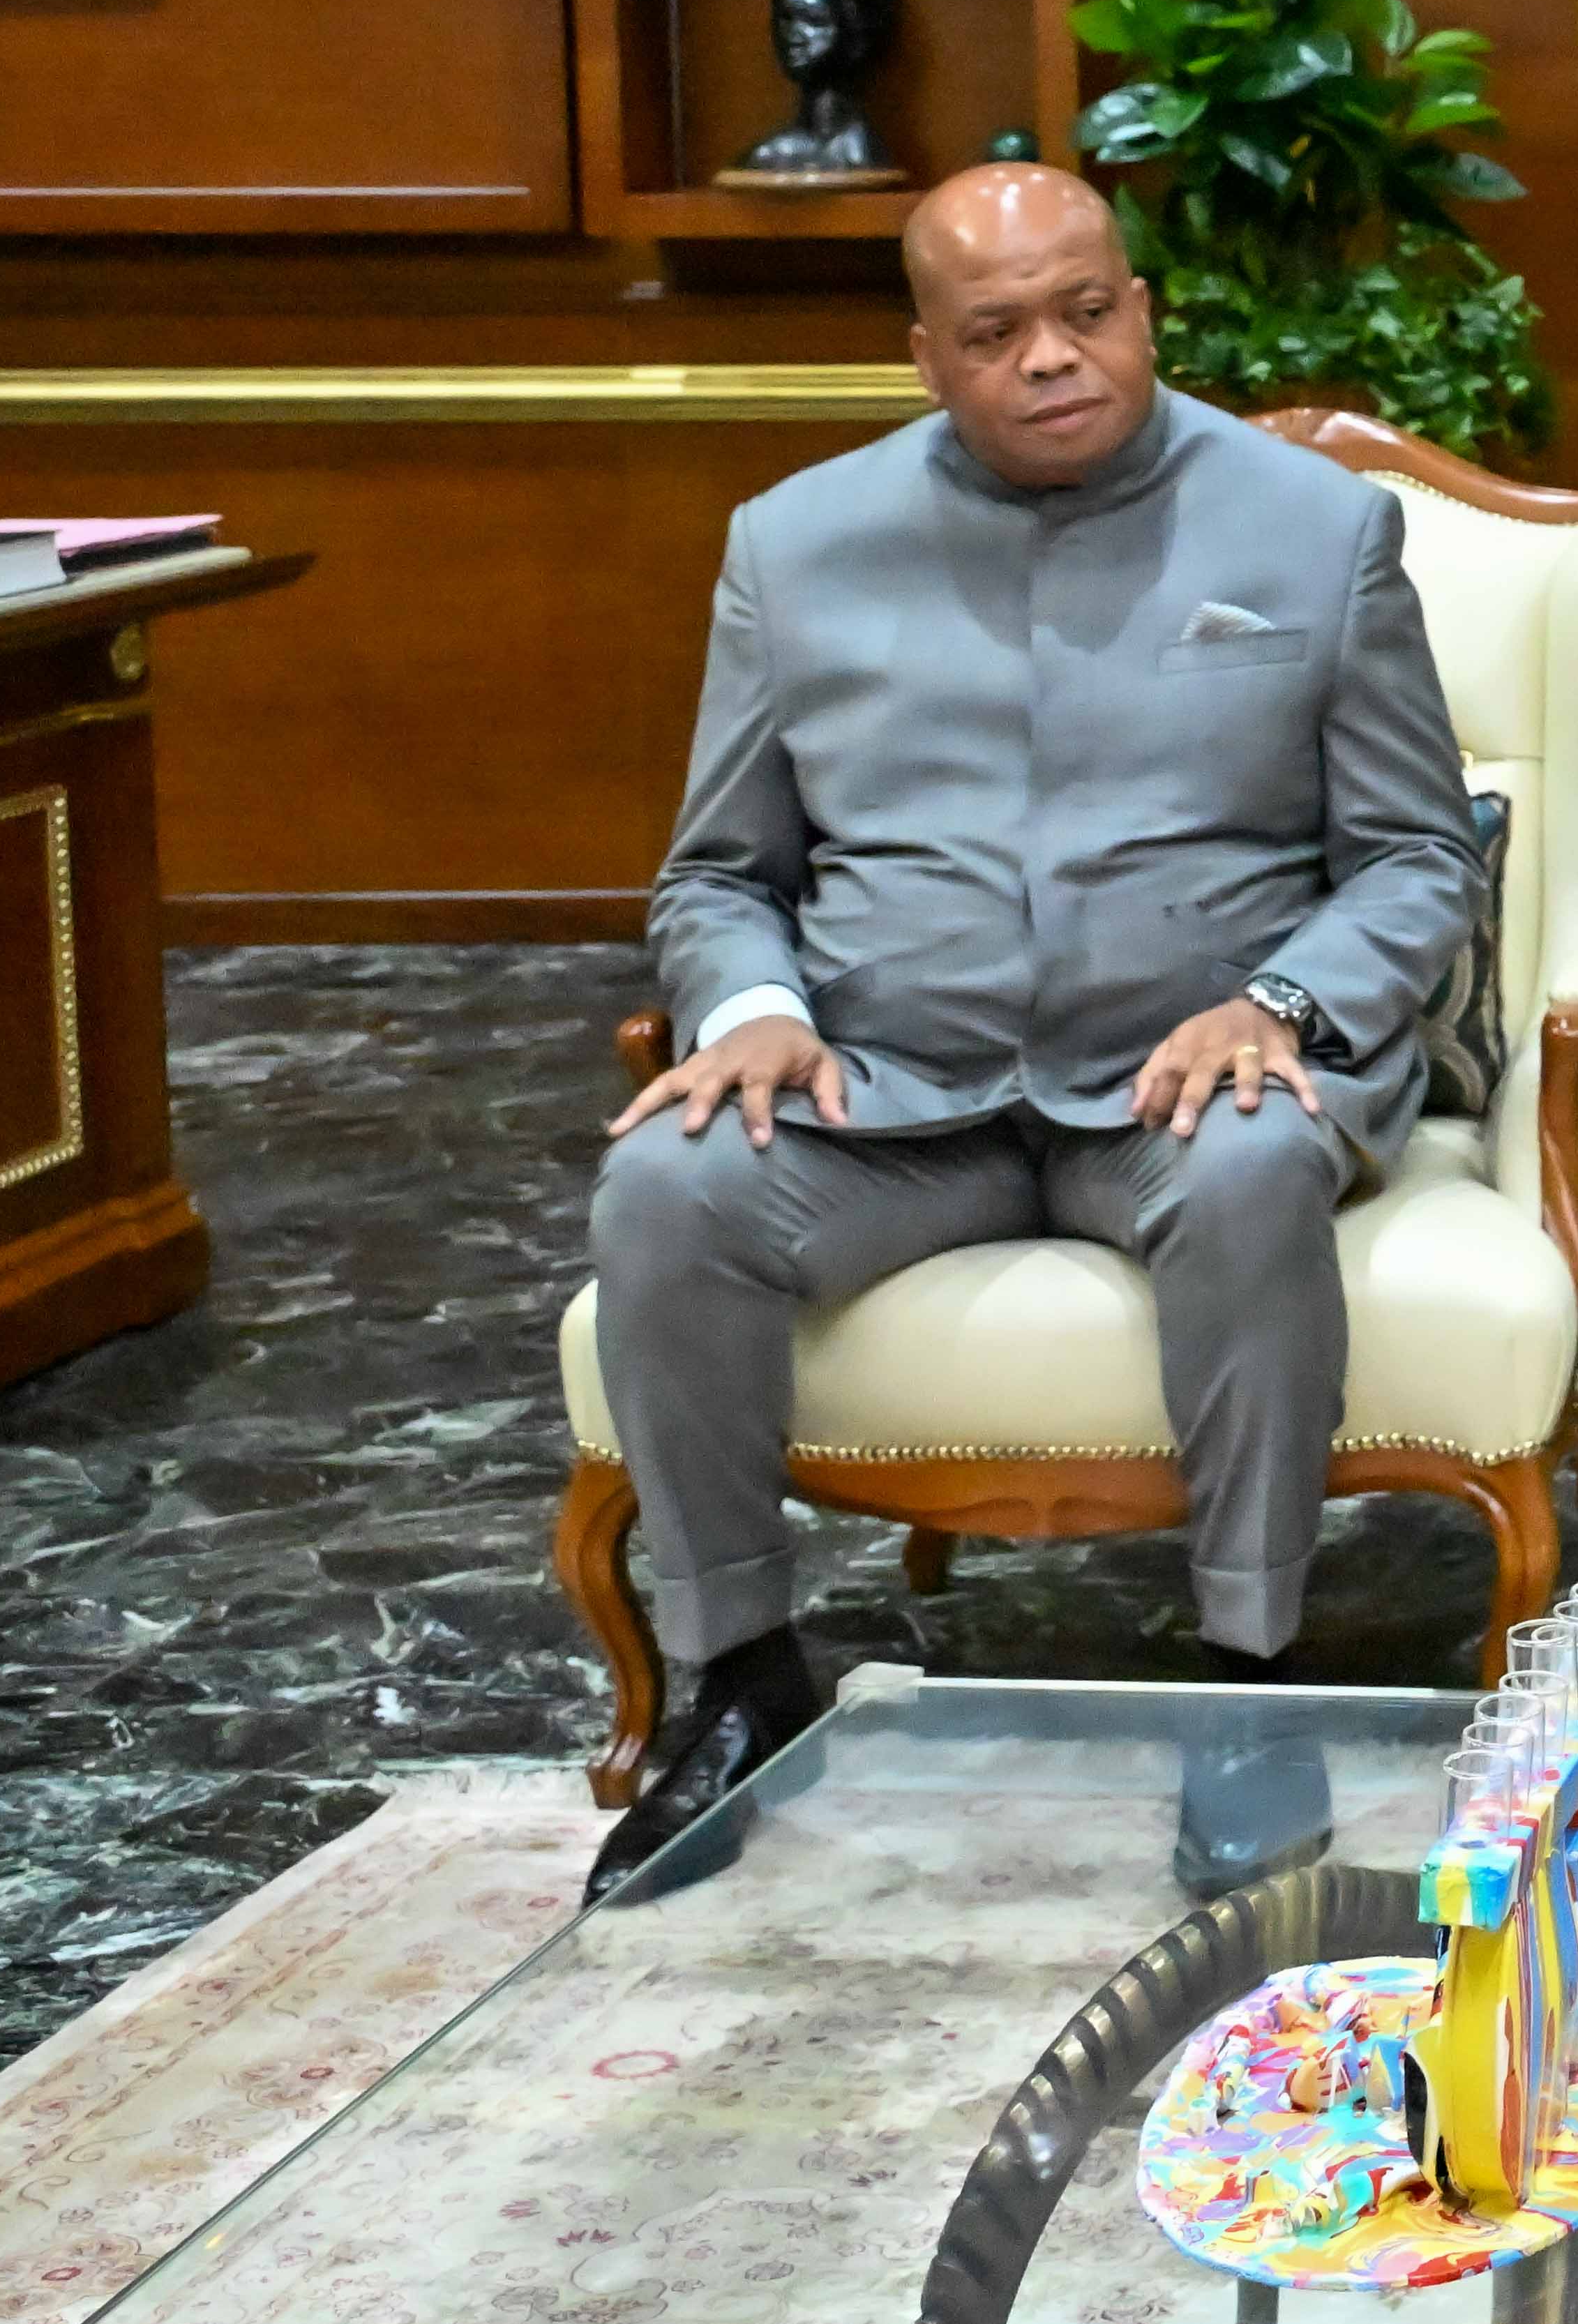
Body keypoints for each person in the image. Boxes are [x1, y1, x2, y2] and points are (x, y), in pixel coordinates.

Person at [581, 163, 1479, 1902]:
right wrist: (756, 1008)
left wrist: (1280, 1004)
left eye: (1086, 314)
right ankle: (743, 1679)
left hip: (1185, 1072)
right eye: (997, 334)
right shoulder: (795, 542)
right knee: (667, 1193)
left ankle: (1251, 1683)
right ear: (929, 355)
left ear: (1142, 311)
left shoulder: (1312, 528)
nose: (1052, 359)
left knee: (1248, 1166)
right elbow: (716, 872)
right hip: (891, 1085)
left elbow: (1415, 856)